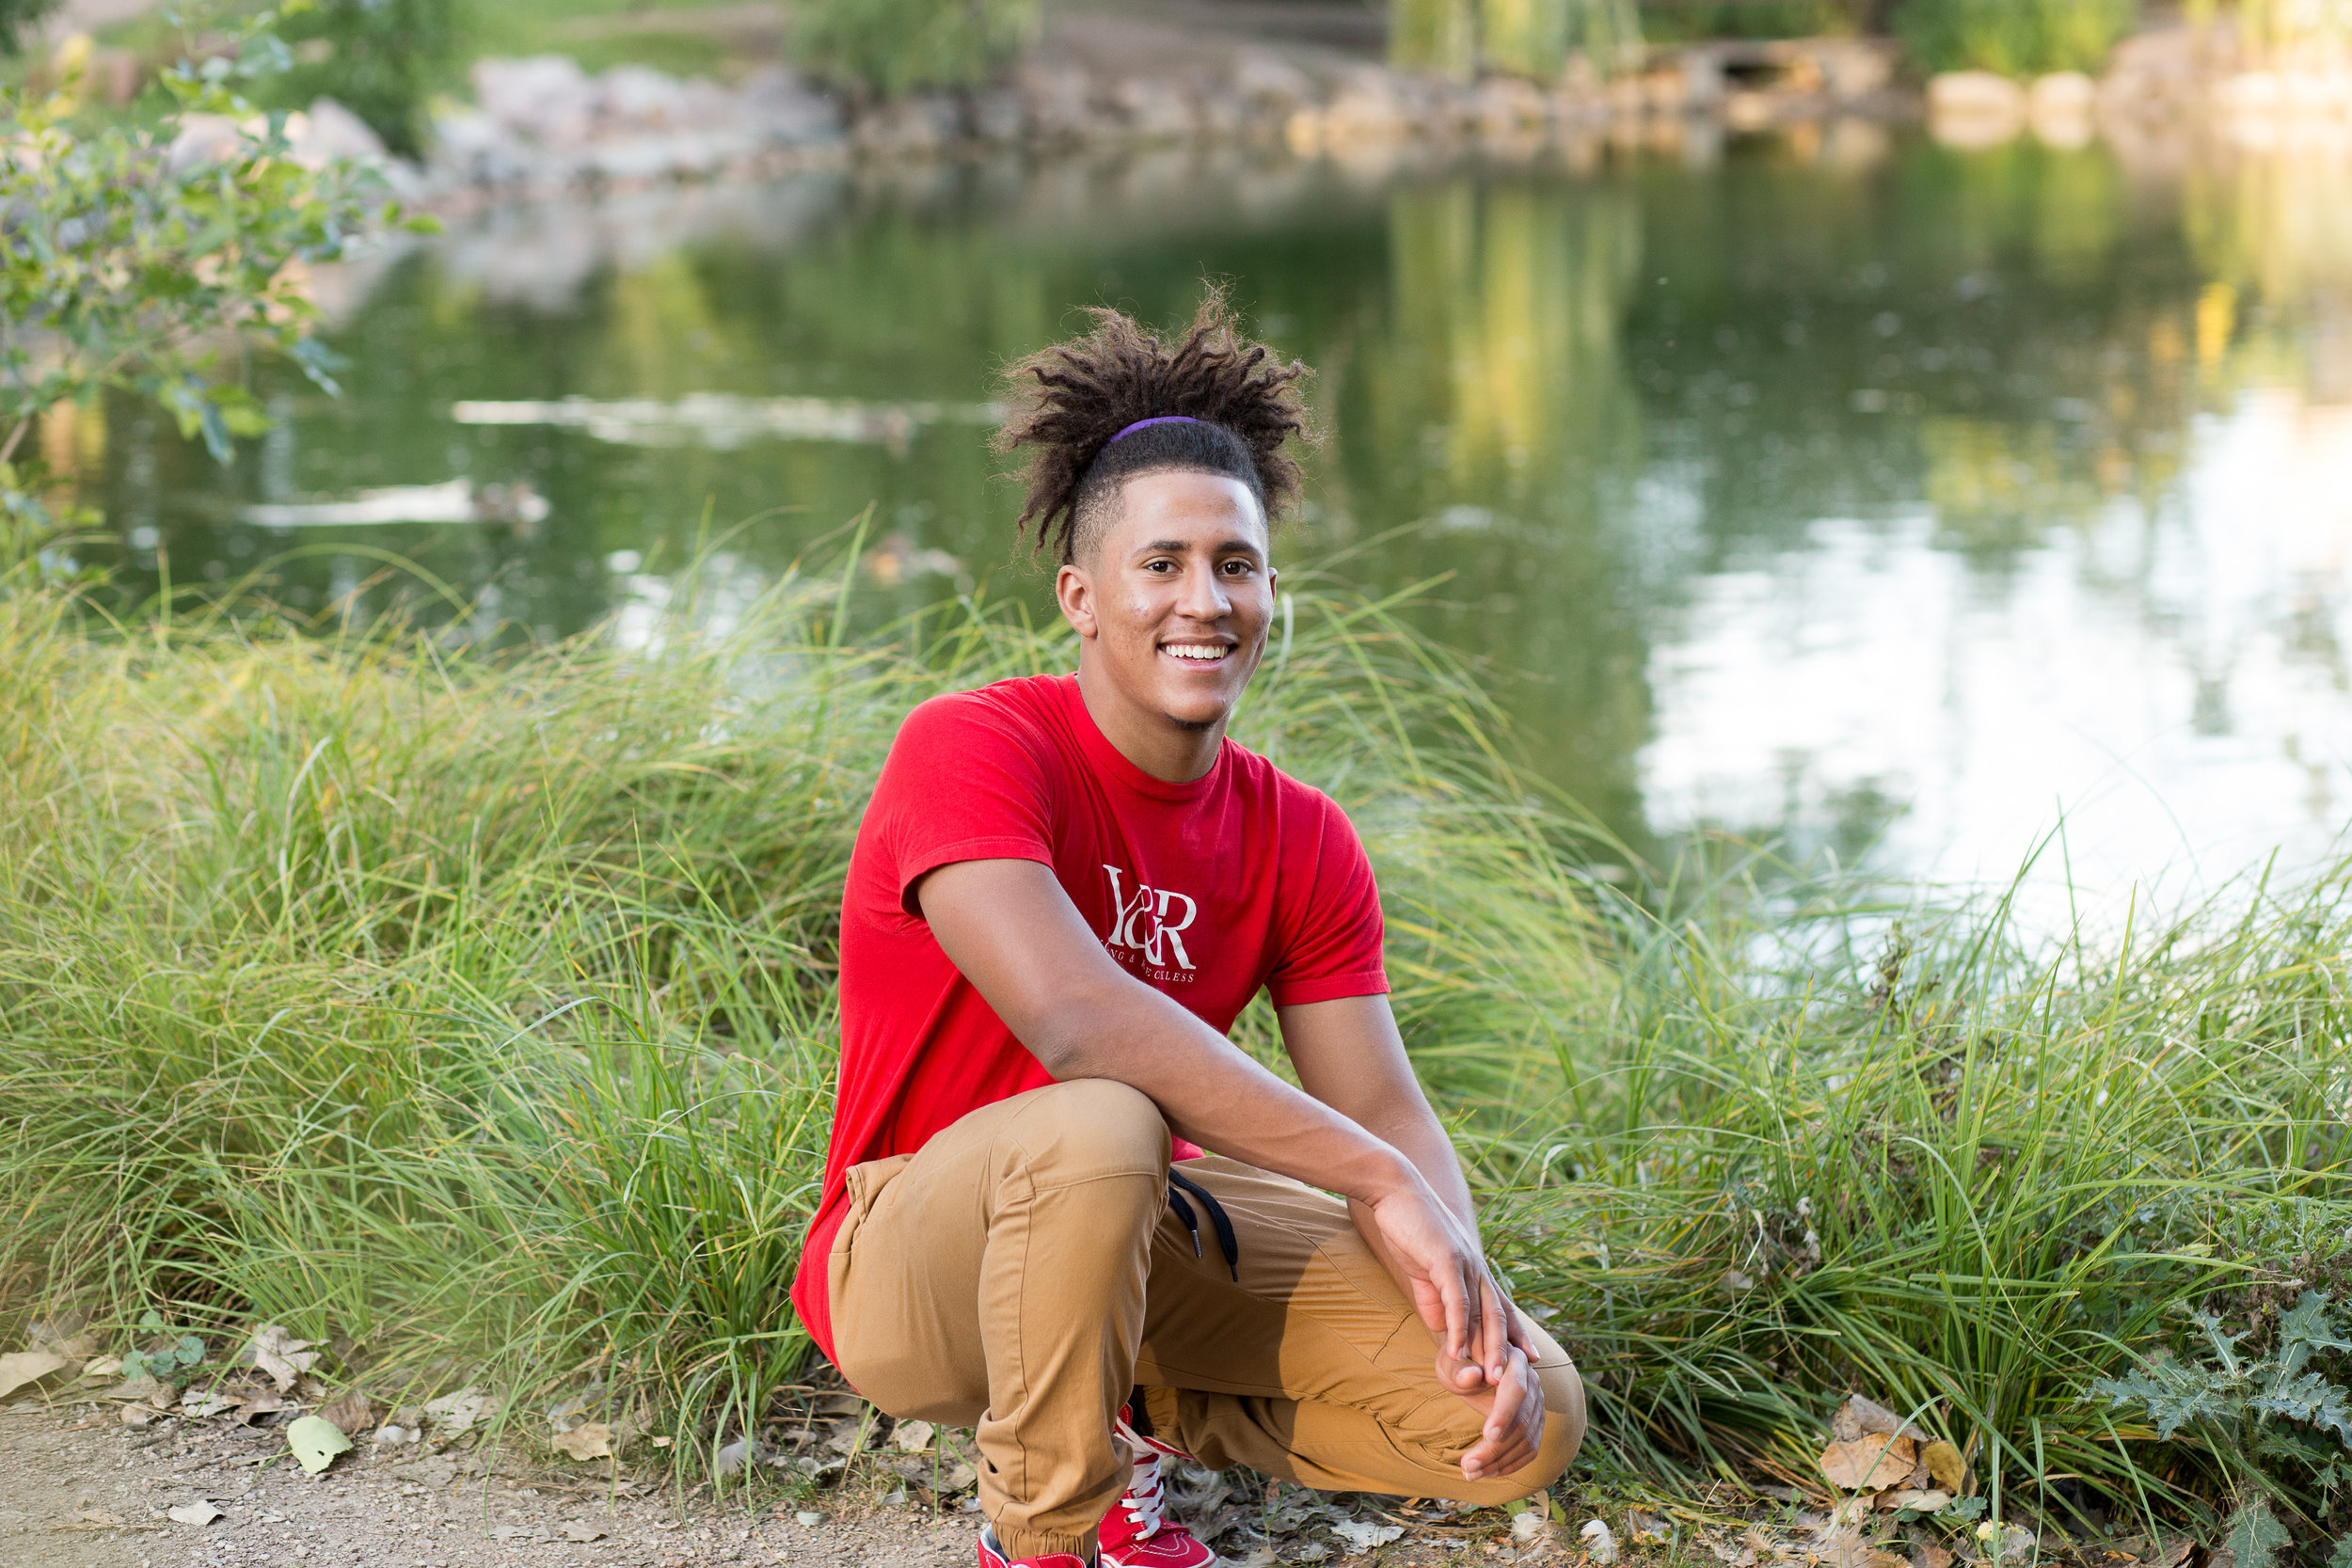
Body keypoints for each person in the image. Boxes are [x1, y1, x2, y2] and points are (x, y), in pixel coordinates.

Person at [788, 291, 1585, 1568]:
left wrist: (1464, 1281)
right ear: (1082, 596)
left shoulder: (1303, 835)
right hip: (909, 1268)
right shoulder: (974, 746)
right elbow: (1073, 1018)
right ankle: (1043, 1537)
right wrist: (1373, 1188)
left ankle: (1128, 1431)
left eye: (1236, 563)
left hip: (1136, 1233)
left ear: (1271, 588)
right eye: (1160, 565)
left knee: (1521, 1411)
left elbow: (1383, 1111)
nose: (1203, 600)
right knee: (1108, 1121)